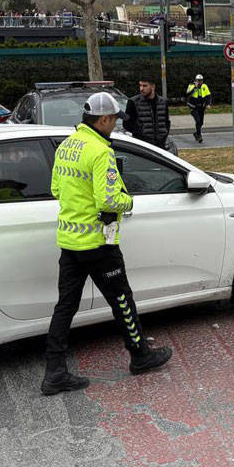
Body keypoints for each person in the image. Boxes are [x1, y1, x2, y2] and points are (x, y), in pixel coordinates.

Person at [42, 92, 173, 395]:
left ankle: (55, 372)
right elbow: (109, 199)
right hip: (99, 243)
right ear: (103, 119)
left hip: (70, 241)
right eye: (114, 120)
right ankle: (140, 355)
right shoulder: (100, 151)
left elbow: (55, 189)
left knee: (65, 307)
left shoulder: (67, 146)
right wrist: (128, 201)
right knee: (122, 299)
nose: (115, 125)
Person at [125, 79, 171, 150]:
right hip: (143, 146)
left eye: (145, 86)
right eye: (140, 85)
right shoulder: (133, 102)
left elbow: (166, 122)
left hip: (160, 146)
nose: (141, 89)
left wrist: (164, 135)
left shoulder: (163, 102)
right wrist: (140, 134)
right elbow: (126, 124)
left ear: (152, 87)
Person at [185, 74, 212, 143]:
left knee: (201, 123)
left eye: (201, 80)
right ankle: (199, 136)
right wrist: (195, 88)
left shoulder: (204, 86)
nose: (200, 82)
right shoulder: (191, 86)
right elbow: (187, 94)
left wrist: (208, 104)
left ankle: (196, 133)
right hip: (193, 107)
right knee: (198, 121)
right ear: (195, 80)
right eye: (198, 80)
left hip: (201, 107)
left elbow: (208, 96)